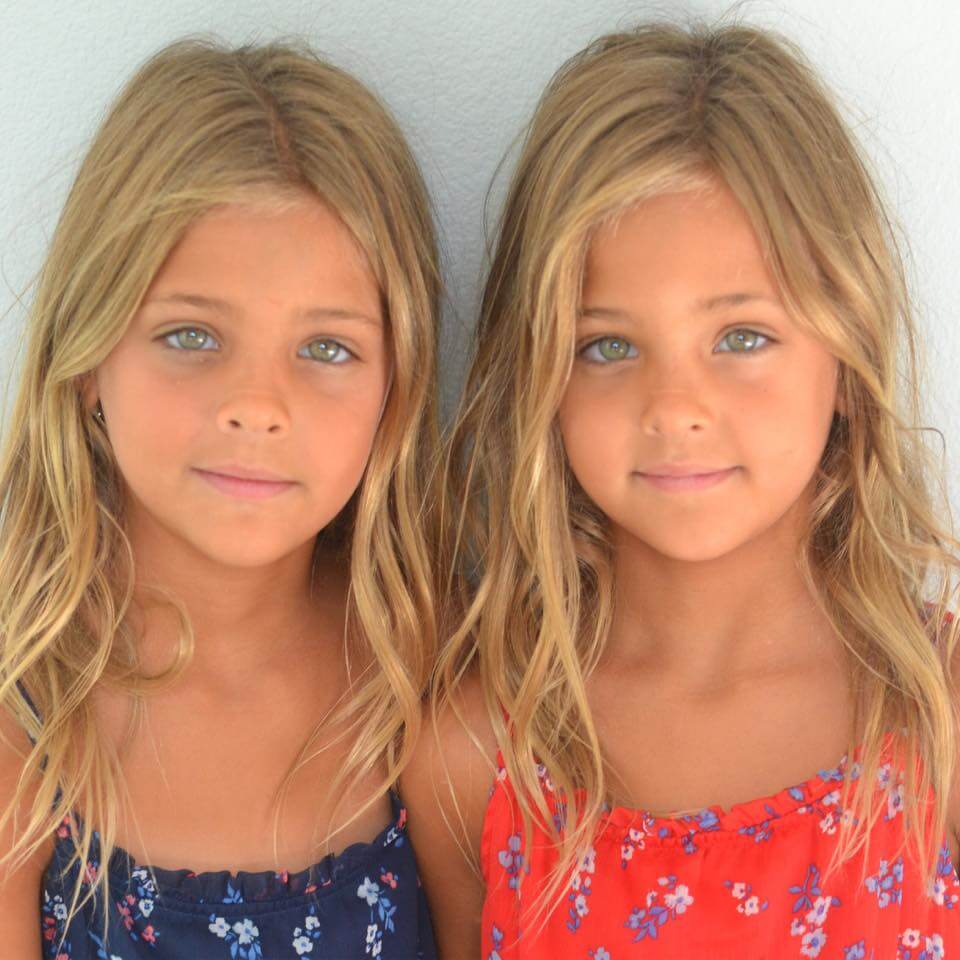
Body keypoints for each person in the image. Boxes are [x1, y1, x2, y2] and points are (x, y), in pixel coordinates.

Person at [406, 21, 960, 959]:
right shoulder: (474, 754)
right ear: (539, 374)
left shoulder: (936, 711)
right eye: (607, 345)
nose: (674, 408)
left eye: (742, 337)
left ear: (848, 347)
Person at [0, 38, 440, 957]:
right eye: (192, 335)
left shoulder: (432, 679)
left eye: (326, 348)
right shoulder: (23, 709)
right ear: (87, 360)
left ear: (396, 388)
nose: (256, 406)